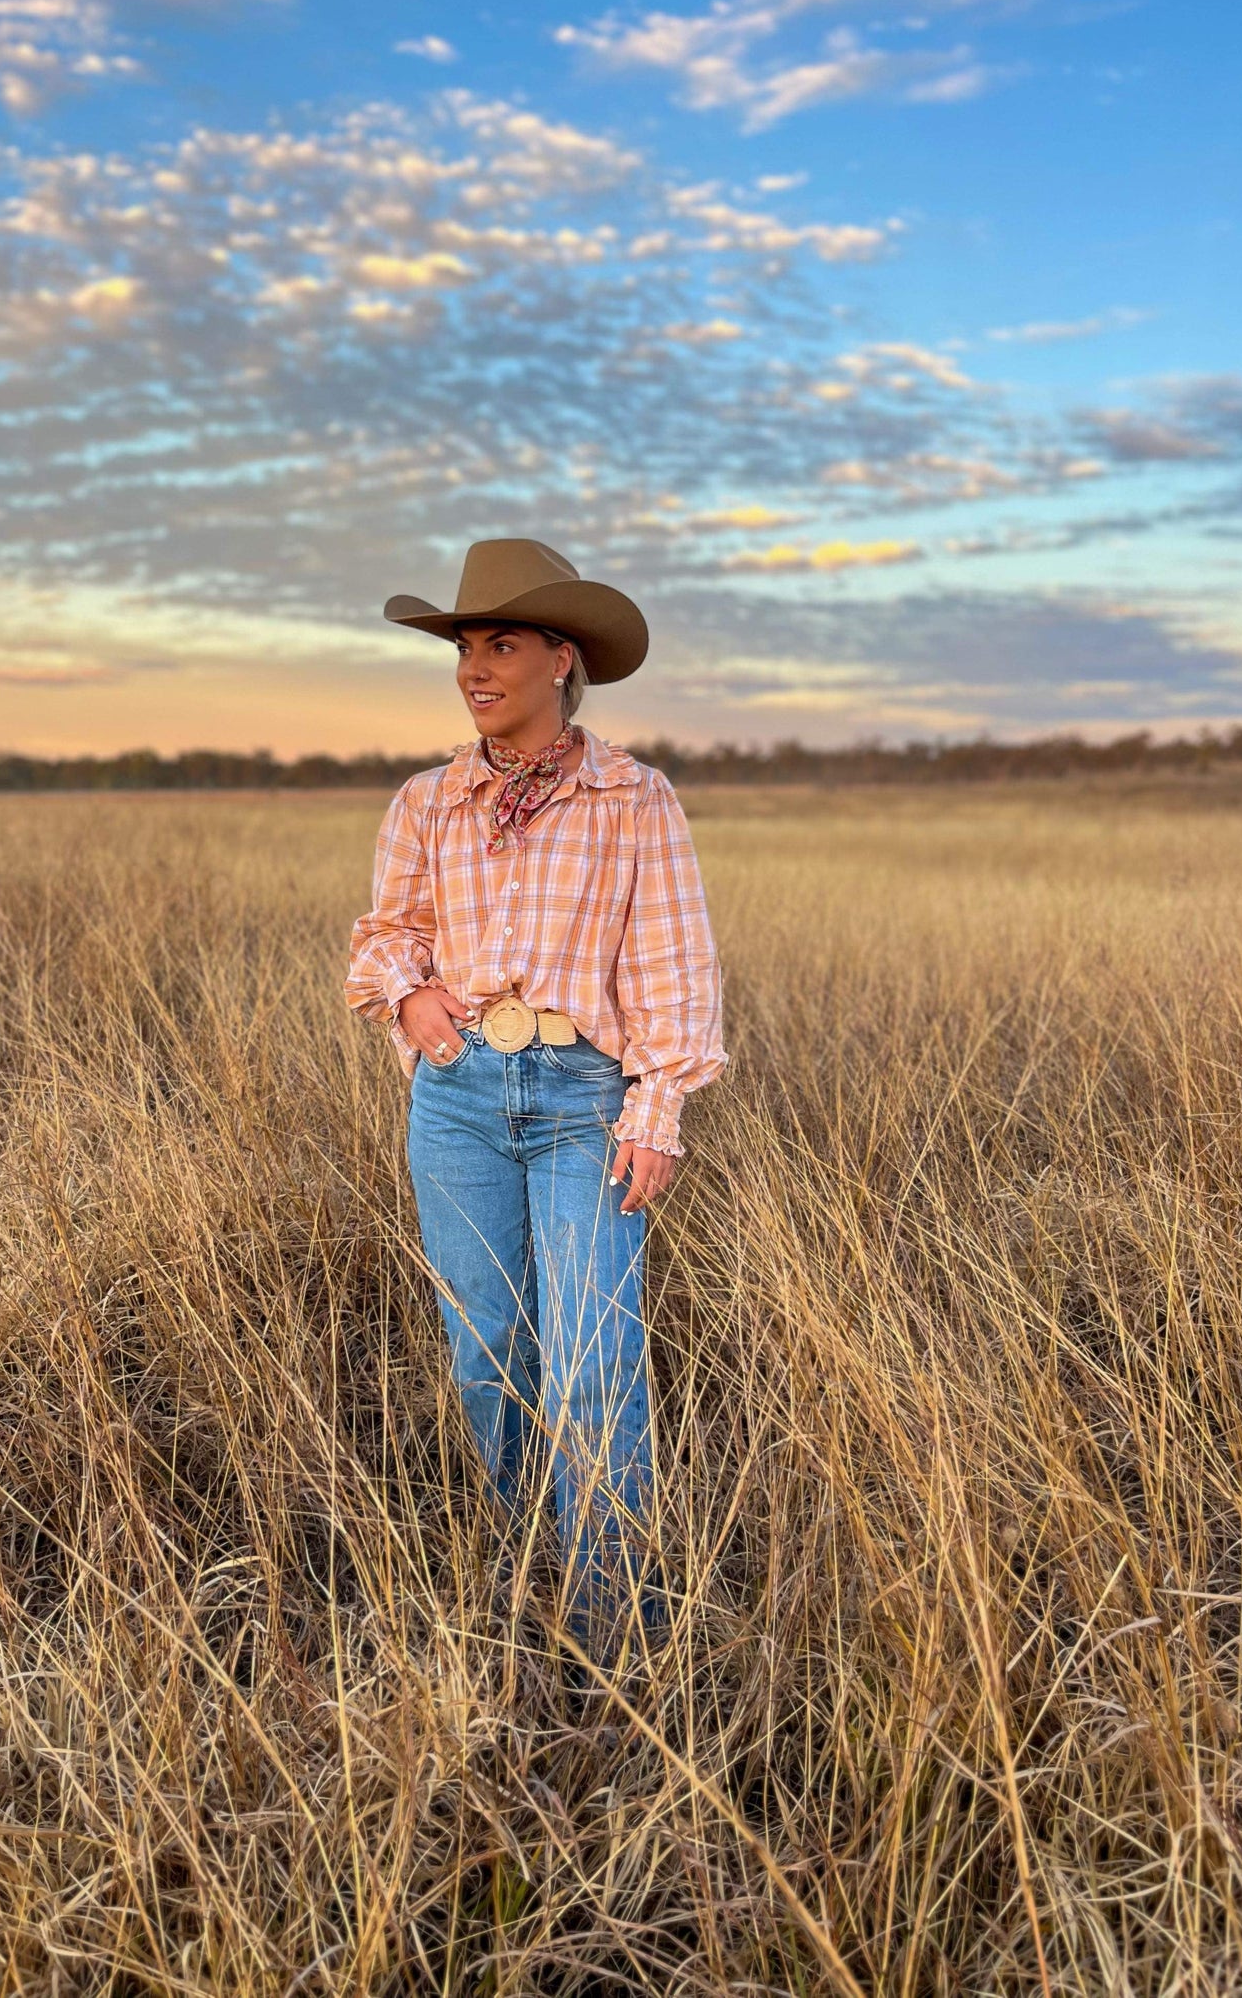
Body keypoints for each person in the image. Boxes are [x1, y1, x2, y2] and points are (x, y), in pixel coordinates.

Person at [345, 537, 726, 1654]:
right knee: (488, 1349)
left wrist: (655, 1113)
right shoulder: (429, 801)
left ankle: (617, 1635)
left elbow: (670, 968)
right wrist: (411, 1002)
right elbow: (386, 938)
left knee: (594, 1354)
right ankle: (523, 1591)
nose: (473, 667)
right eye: (464, 646)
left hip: (580, 1101)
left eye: (498, 644)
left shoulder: (632, 799)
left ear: (561, 659)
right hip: (457, 1098)